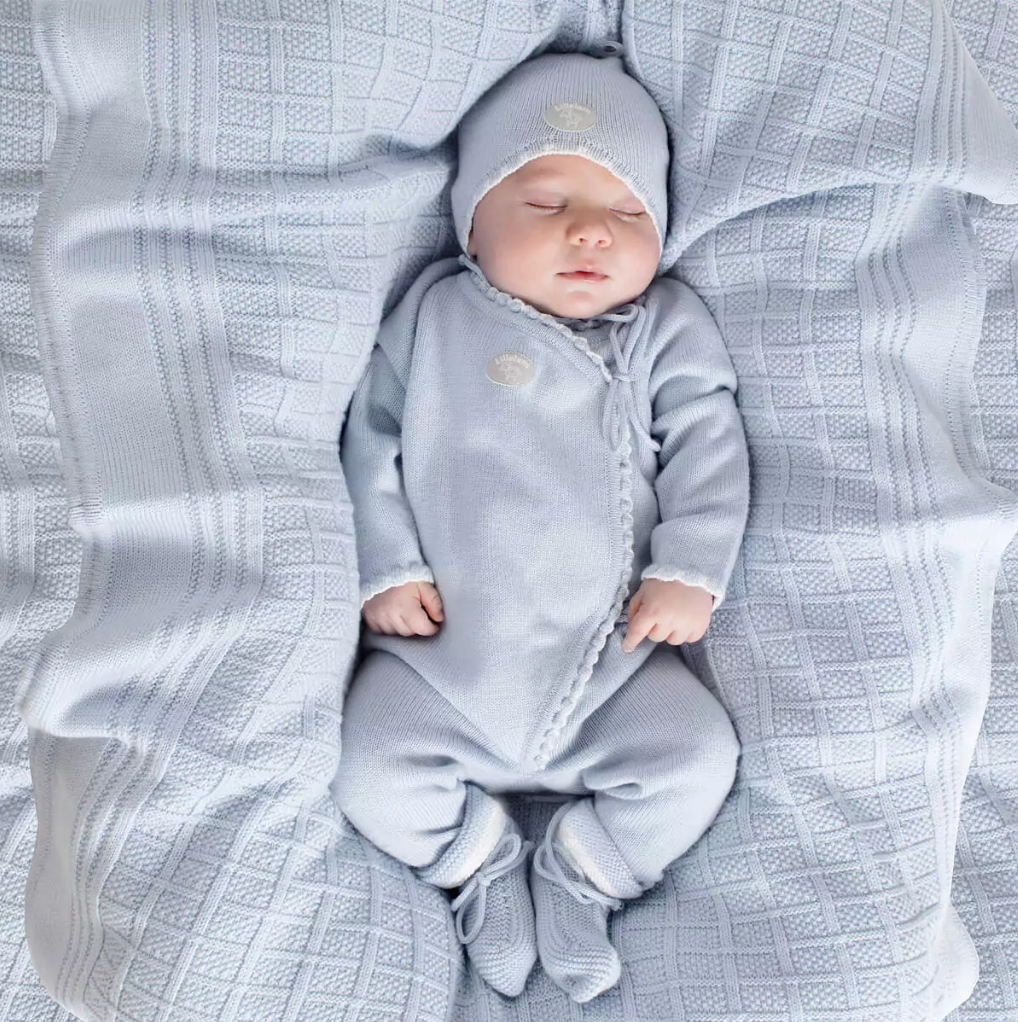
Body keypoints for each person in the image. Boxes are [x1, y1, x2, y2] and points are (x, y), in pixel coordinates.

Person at [334, 49, 750, 1003]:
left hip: (613, 669)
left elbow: (710, 447)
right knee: (369, 766)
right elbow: (372, 441)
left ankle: (582, 871)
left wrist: (691, 566)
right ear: (473, 227)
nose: (590, 233)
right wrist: (386, 565)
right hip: (443, 667)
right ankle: (476, 864)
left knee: (698, 760)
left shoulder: (663, 329)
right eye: (543, 203)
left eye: (627, 213)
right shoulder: (435, 318)